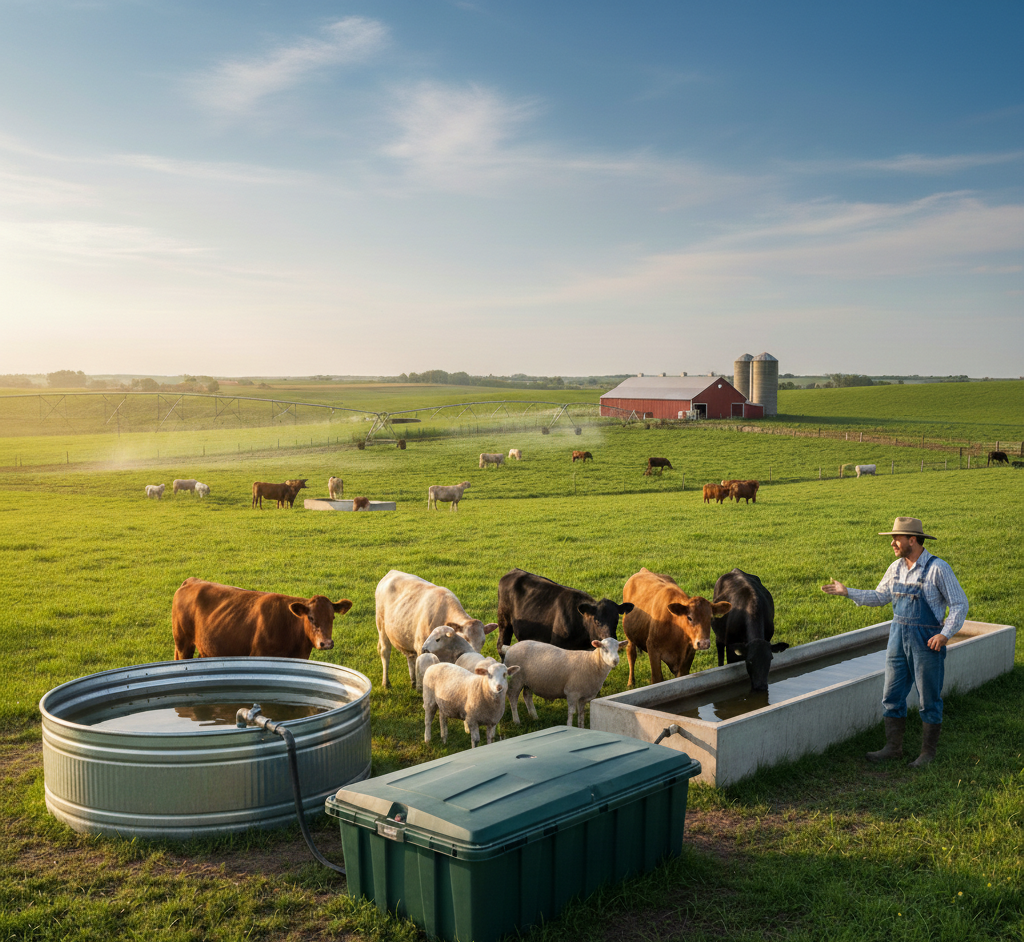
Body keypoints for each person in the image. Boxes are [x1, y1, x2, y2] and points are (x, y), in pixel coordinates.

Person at [821, 517, 968, 767]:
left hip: (927, 642)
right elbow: (880, 597)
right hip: (897, 638)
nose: (892, 543)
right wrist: (848, 592)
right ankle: (893, 748)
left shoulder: (937, 568)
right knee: (891, 694)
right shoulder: (895, 568)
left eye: (896, 538)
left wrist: (945, 634)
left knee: (928, 697)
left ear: (912, 539)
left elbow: (959, 603)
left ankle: (927, 753)